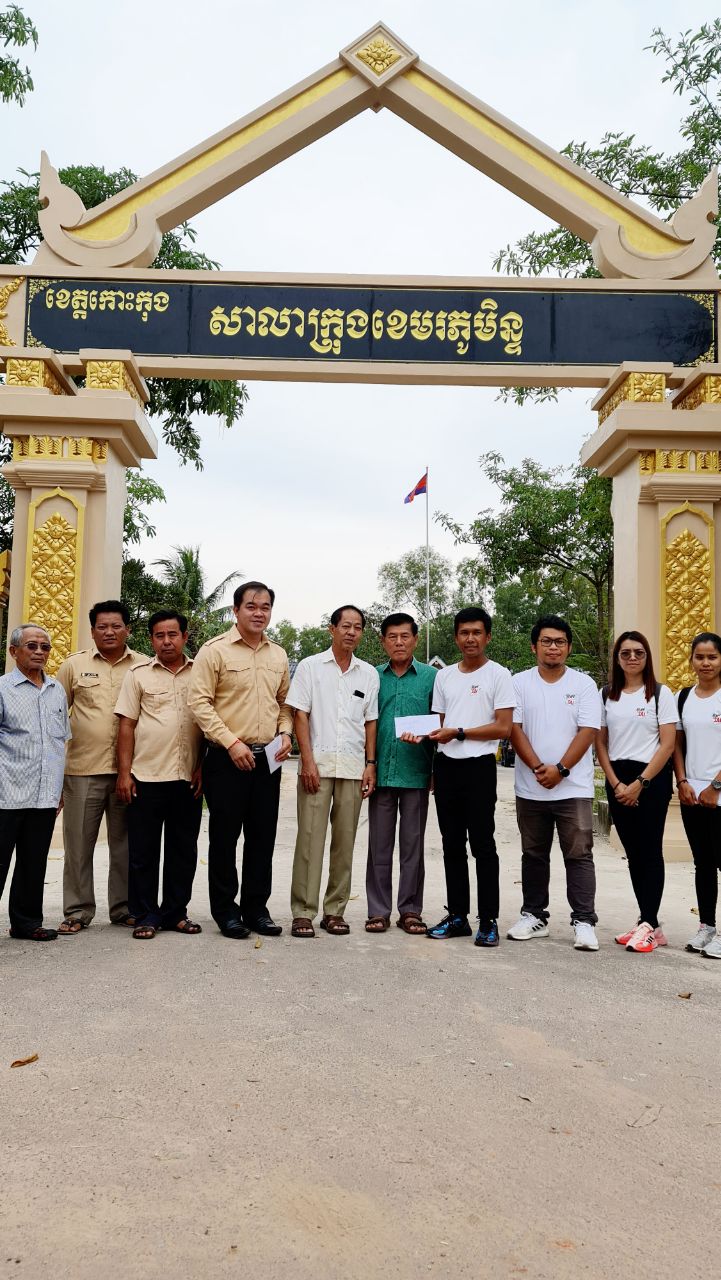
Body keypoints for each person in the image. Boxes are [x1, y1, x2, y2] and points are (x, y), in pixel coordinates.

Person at [188, 581, 292, 938]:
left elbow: (284, 704)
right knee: (224, 838)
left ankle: (256, 910)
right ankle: (226, 911)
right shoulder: (214, 650)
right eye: (251, 606)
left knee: (262, 838)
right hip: (226, 759)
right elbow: (199, 703)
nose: (258, 613)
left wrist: (286, 733)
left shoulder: (278, 654)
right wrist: (231, 743)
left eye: (265, 607)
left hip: (268, 760)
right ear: (236, 610)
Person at [508, 615, 602, 951]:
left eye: (560, 642)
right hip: (530, 786)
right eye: (546, 641)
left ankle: (584, 921)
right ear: (533, 646)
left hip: (573, 788)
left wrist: (561, 770)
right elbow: (513, 728)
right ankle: (534, 916)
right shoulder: (518, 683)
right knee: (533, 854)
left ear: (568, 647)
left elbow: (588, 731)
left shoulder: (584, 684)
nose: (553, 647)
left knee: (579, 854)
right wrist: (538, 767)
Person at [424, 606, 515, 947]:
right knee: (451, 845)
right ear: (456, 638)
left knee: (483, 845)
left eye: (477, 632)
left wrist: (459, 732)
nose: (471, 638)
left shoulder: (499, 675)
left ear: (487, 636)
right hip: (447, 767)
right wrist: (420, 735)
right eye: (464, 632)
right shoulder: (445, 677)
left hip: (479, 767)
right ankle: (458, 916)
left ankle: (488, 920)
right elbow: (438, 726)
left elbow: (503, 727)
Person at [288, 605, 379, 938]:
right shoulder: (311, 667)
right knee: (309, 841)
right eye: (345, 626)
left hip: (353, 767)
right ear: (332, 629)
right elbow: (300, 715)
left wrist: (370, 764)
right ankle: (303, 912)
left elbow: (370, 722)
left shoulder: (368, 674)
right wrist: (307, 761)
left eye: (357, 627)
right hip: (318, 766)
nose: (351, 632)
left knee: (345, 843)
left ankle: (334, 911)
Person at [55, 600, 144, 933]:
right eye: (102, 627)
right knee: (79, 846)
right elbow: (55, 718)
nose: (109, 632)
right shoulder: (73, 666)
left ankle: (124, 908)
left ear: (127, 630)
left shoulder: (143, 666)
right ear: (92, 631)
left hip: (130, 773)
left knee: (125, 845)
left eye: (116, 626)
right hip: (82, 771)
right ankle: (78, 910)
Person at [115, 611, 204, 940]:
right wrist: (124, 774)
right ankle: (145, 915)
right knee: (143, 852)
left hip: (187, 779)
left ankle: (175, 913)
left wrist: (202, 767)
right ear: (151, 639)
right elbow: (127, 725)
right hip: (146, 776)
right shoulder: (138, 674)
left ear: (184, 637)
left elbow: (208, 724)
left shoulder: (201, 673)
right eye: (159, 635)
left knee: (184, 851)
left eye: (172, 634)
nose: (166, 641)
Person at [596, 631, 676, 953]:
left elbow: (667, 744)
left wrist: (640, 783)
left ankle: (649, 923)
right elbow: (601, 743)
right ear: (617, 658)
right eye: (625, 653)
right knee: (633, 853)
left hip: (651, 780)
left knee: (650, 850)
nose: (632, 658)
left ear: (647, 657)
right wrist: (616, 783)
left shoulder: (660, 693)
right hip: (618, 779)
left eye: (638, 653)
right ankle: (648, 923)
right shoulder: (607, 694)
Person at [365, 612, 436, 935]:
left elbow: (441, 721)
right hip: (381, 773)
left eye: (405, 636)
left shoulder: (432, 678)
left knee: (412, 847)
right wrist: (369, 764)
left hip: (416, 772)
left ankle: (410, 910)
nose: (398, 642)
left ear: (415, 640)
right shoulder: (372, 677)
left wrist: (435, 767)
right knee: (379, 847)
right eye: (392, 637)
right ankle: (378, 911)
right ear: (383, 641)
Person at [0, 624, 70, 941]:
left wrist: (59, 788)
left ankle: (26, 923)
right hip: (6, 792)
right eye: (32, 646)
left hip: (44, 794)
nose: (40, 652)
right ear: (14, 651)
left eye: (45, 647)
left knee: (33, 861)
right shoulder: (3, 689)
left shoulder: (56, 690)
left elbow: (60, 742)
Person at [673, 631, 721, 959]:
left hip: (717, 793)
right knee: (703, 863)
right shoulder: (683, 697)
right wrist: (682, 781)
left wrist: (715, 786)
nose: (706, 663)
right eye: (700, 657)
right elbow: (677, 744)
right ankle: (707, 926)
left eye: (712, 657)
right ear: (691, 660)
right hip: (692, 794)